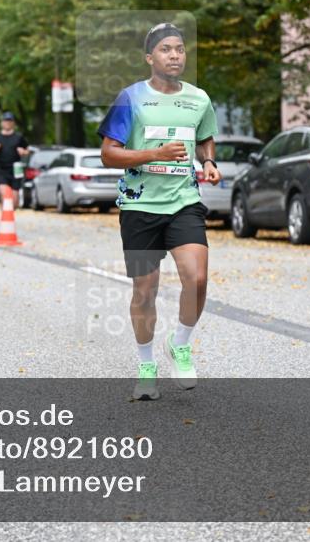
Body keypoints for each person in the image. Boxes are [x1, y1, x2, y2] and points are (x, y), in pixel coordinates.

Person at [98, 22, 221, 401]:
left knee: (197, 278)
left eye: (180, 50)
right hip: (139, 205)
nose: (174, 55)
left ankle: (180, 343)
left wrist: (209, 162)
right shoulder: (130, 98)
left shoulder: (199, 99)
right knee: (145, 291)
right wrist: (155, 153)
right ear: (150, 57)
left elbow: (204, 137)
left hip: (183, 202)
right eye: (166, 49)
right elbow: (108, 154)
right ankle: (146, 365)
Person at [0, 112, 29, 204]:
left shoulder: (19, 137)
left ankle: (9, 213)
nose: (7, 123)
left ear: (13, 123)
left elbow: (27, 151)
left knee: (14, 200)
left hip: (16, 170)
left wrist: (23, 152)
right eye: (6, 121)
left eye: (10, 121)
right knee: (4, 193)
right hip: (2, 169)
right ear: (2, 123)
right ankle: (5, 214)